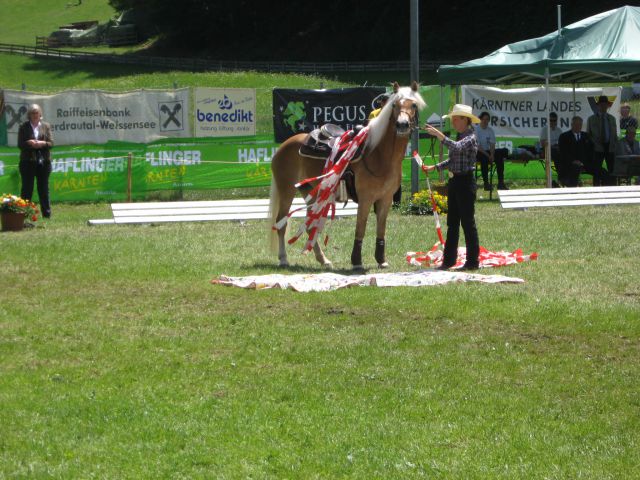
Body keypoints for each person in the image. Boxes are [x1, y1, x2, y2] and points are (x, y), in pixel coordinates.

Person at [423, 104, 480, 271]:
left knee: (468, 223)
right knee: (452, 223)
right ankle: (448, 261)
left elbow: (456, 148)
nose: (453, 122)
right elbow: (453, 160)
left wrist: (440, 135)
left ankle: (472, 262)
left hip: (465, 182)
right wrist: (435, 167)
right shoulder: (460, 135)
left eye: (456, 119)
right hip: (455, 183)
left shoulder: (471, 137)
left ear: (465, 120)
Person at [18, 104, 53, 218]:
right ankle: (23, 215)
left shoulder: (46, 126)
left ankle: (47, 215)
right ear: (29, 115)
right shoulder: (23, 126)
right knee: (27, 189)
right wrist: (29, 143)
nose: (34, 115)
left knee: (43, 189)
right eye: (32, 113)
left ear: (40, 114)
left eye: (36, 112)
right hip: (27, 162)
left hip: (44, 162)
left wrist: (43, 144)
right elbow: (20, 145)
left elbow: (51, 143)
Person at [368, 93, 402, 205]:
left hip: (391, 148)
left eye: (387, 102)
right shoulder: (374, 113)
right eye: (383, 102)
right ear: (381, 103)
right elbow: (370, 129)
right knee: (376, 174)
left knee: (395, 173)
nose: (385, 104)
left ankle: (397, 202)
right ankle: (375, 202)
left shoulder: (396, 114)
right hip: (377, 149)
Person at [587, 95, 617, 184]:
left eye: (605, 104)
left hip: (610, 148)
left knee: (612, 170)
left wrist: (614, 145)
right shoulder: (591, 119)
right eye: (601, 104)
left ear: (608, 106)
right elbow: (588, 134)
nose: (603, 106)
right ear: (598, 106)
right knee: (596, 170)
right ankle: (596, 189)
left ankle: (613, 189)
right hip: (597, 148)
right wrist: (593, 144)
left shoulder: (612, 119)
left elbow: (614, 134)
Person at [557, 116, 596, 187]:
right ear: (571, 125)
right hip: (570, 164)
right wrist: (573, 161)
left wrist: (585, 162)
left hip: (585, 163)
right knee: (575, 169)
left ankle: (601, 191)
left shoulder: (586, 136)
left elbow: (591, 150)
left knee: (603, 172)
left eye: (580, 125)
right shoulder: (564, 136)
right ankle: (573, 191)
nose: (578, 126)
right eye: (576, 124)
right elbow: (563, 152)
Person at [474, 111, 508, 191]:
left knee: (500, 157)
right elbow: (478, 146)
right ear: (480, 119)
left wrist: (492, 154)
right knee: (484, 160)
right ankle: (486, 184)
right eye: (484, 119)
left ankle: (501, 183)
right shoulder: (476, 130)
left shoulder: (490, 130)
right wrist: (488, 155)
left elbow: (492, 144)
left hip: (488, 151)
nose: (486, 121)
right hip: (479, 152)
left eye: (487, 120)